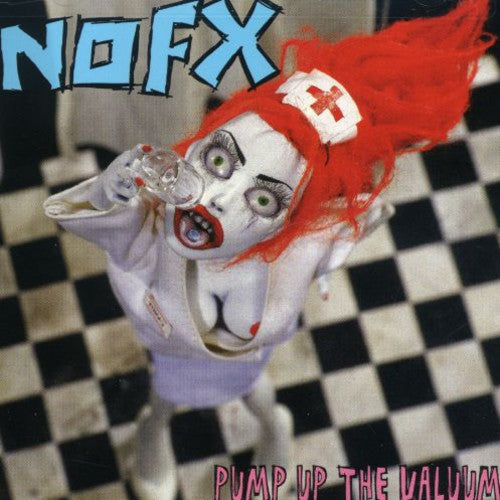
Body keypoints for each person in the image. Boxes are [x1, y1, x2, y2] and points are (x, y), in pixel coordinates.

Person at [44, 1, 493, 497]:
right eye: (218, 160)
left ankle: (275, 425)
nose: (217, 198)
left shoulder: (304, 243)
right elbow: (107, 220)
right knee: (164, 399)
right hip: (171, 357)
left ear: (292, 220)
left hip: (249, 364)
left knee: (259, 397)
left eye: (262, 199)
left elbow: (348, 222)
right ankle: (155, 426)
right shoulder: (151, 229)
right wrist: (110, 191)